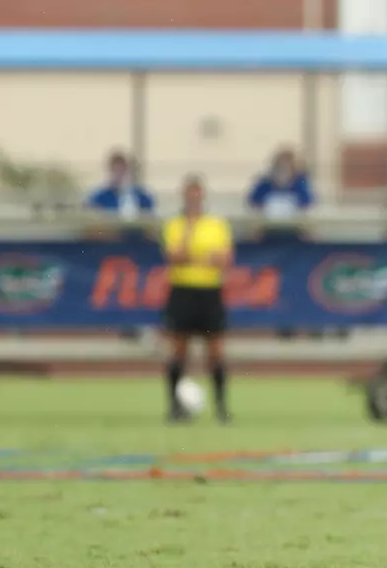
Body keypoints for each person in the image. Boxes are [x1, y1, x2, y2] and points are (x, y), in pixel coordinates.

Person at [161, 175, 233, 423]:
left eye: (197, 194)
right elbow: (175, 255)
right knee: (178, 351)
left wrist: (195, 257)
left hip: (209, 291)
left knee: (215, 352)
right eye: (189, 193)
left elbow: (223, 260)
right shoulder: (175, 225)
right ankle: (174, 408)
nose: (194, 198)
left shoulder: (216, 225)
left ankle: (221, 407)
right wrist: (199, 252)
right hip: (182, 290)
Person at [248, 148, 315, 223]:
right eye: (279, 168)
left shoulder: (300, 184)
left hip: (294, 228)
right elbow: (253, 202)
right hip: (268, 227)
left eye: (286, 169)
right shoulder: (265, 184)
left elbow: (308, 204)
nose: (283, 173)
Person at [86, 151, 155, 220]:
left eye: (121, 171)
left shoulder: (138, 194)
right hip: (110, 229)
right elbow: (89, 207)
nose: (118, 175)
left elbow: (149, 207)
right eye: (115, 171)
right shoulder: (102, 195)